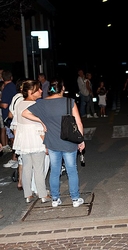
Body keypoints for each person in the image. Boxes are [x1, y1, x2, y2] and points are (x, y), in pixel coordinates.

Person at [22, 78, 86, 208]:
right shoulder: (69, 102)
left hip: (52, 142)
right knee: (72, 170)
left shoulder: (42, 103)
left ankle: (55, 199)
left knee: (55, 170)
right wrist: (81, 140)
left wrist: (40, 121)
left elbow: (25, 113)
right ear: (62, 88)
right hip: (69, 142)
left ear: (49, 89)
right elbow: (78, 123)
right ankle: (75, 198)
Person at [13, 80, 51, 203]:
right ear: (30, 92)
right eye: (38, 89)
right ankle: (43, 194)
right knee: (38, 168)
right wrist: (46, 144)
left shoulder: (19, 104)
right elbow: (39, 128)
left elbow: (16, 125)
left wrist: (18, 140)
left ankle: (28, 194)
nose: (41, 91)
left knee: (27, 168)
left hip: (23, 140)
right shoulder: (35, 105)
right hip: (35, 140)